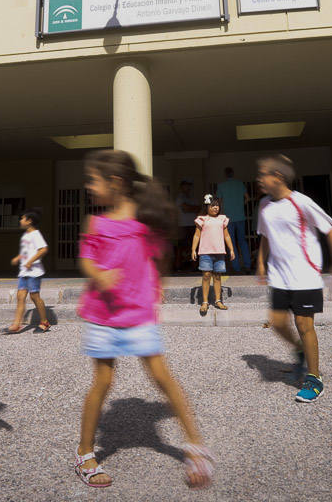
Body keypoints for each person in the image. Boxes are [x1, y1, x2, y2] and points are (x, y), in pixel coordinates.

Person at [74, 150, 214, 489]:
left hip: (138, 314)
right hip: (103, 316)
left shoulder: (145, 223)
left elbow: (157, 257)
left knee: (163, 377)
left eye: (93, 180)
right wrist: (100, 274)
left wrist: (156, 284)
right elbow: (86, 259)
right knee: (102, 382)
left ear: (115, 182)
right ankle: (84, 453)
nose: (89, 187)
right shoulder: (96, 223)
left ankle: (196, 446)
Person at [256, 154, 332, 403]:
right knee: (277, 323)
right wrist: (260, 263)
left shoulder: (301, 202)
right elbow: (265, 235)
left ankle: (314, 378)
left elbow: (330, 229)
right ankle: (299, 350)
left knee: (304, 325)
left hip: (305, 276)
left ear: (278, 177)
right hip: (279, 276)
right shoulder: (265, 205)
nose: (259, 179)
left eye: (263, 174)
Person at [6, 209, 51, 333]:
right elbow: (26, 251)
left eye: (22, 218)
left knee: (34, 296)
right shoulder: (26, 235)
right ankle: (16, 324)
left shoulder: (36, 234)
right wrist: (19, 257)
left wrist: (31, 261)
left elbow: (43, 249)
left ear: (29, 221)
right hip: (24, 272)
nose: (20, 220)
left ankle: (44, 322)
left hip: (34, 271)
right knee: (20, 296)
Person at [191, 194, 235, 315]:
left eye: (217, 206)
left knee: (217, 277)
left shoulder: (222, 219)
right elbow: (197, 235)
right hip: (205, 252)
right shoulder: (202, 219)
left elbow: (227, 235)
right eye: (213, 205)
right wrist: (193, 249)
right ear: (206, 207)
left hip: (219, 252)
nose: (216, 208)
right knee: (206, 275)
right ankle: (204, 302)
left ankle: (218, 300)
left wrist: (231, 249)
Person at [216, 168, 252, 273]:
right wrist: (241, 204)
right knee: (242, 242)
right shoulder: (240, 184)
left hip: (228, 218)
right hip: (240, 216)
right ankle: (247, 265)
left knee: (231, 243)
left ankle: (236, 267)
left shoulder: (221, 186)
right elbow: (248, 198)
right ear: (233, 173)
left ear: (225, 174)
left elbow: (218, 201)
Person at [174, 180, 199, 271]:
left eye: (189, 186)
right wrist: (191, 208)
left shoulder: (193, 197)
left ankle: (195, 266)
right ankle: (178, 267)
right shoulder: (179, 198)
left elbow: (198, 208)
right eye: (186, 185)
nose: (188, 188)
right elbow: (185, 208)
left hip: (192, 224)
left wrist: (189, 208)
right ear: (181, 187)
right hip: (182, 225)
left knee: (194, 246)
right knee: (180, 247)